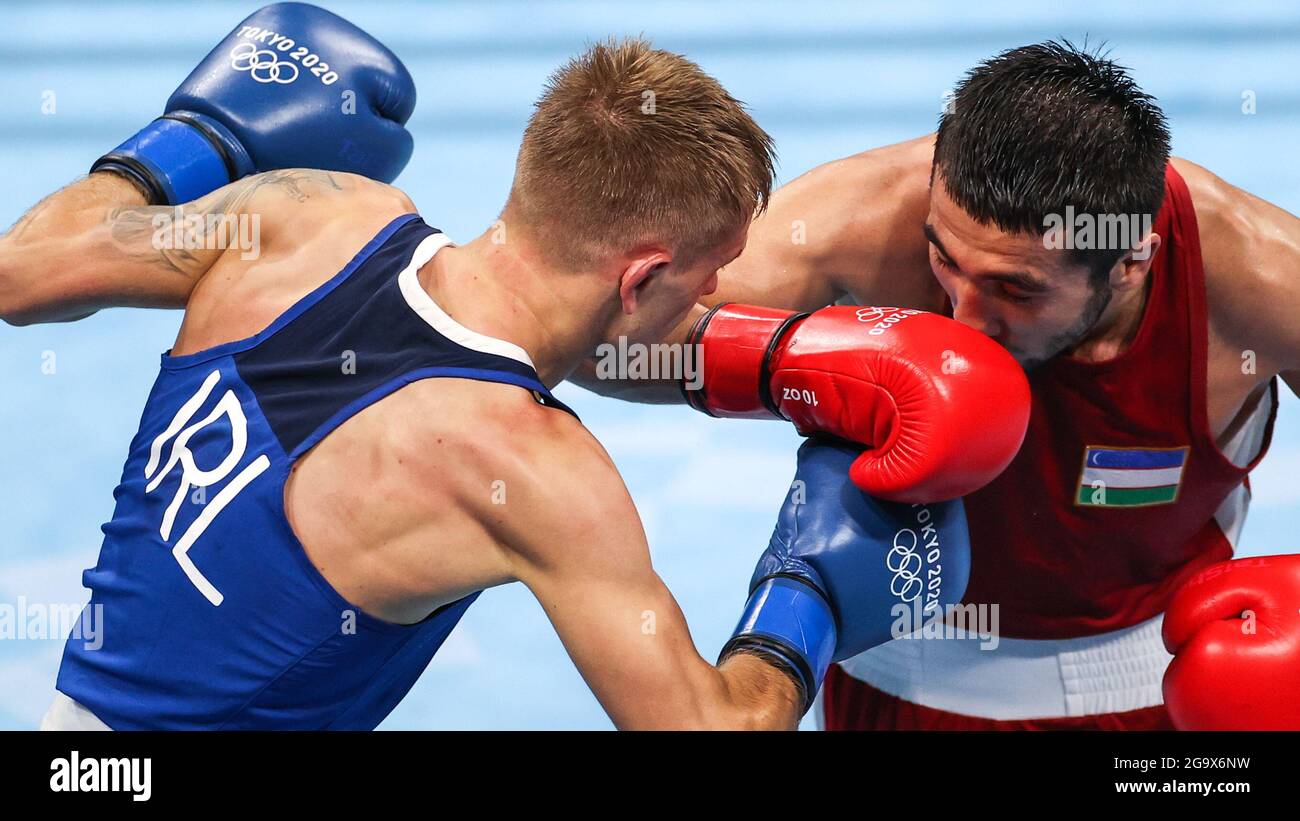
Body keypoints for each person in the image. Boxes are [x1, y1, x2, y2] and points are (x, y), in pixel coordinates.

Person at [1, 6, 1012, 729]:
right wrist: (807, 598)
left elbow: (22, 270)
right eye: (711, 273)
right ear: (645, 274)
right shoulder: (531, 472)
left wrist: (193, 142)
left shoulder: (308, 216)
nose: (715, 299)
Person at [577, 40, 1300, 730]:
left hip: (1154, 682)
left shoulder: (1257, 280)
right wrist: (795, 357)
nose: (965, 316)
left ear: (1131, 263)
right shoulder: (858, 225)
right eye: (945, 262)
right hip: (897, 682)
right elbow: (598, 339)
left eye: (1015, 288)